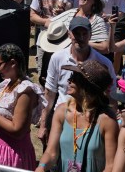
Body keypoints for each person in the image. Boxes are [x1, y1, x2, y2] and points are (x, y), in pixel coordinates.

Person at [33, 59, 118, 172]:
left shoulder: (107, 121)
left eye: (75, 78)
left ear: (88, 87)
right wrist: (41, 167)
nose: (69, 80)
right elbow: (51, 152)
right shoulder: (61, 111)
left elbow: (112, 165)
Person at [39, 16, 116, 147]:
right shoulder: (57, 58)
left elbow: (111, 97)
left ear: (90, 35)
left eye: (84, 33)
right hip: (61, 118)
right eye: (76, 33)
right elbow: (49, 94)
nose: (80, 37)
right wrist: (43, 125)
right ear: (69, 34)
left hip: (91, 121)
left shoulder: (104, 63)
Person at [0, 43, 46, 172]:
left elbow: (18, 130)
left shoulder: (26, 90)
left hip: (12, 155)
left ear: (12, 63)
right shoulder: (5, 84)